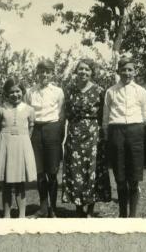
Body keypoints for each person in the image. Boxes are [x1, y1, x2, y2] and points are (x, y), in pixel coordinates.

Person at [61, 58, 111, 218]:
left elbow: (104, 115)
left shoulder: (100, 91)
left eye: (87, 69)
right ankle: (78, 208)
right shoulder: (70, 91)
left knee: (92, 170)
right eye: (81, 69)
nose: (83, 72)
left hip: (93, 135)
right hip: (74, 134)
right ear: (76, 71)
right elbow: (66, 114)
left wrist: (103, 134)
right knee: (75, 170)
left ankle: (90, 209)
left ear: (92, 73)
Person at [102, 57, 146, 218]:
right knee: (120, 176)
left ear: (135, 72)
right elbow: (106, 117)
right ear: (118, 71)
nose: (127, 73)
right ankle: (122, 215)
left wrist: (134, 128)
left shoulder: (141, 91)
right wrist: (114, 130)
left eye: (130, 70)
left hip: (135, 132)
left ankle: (133, 216)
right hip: (116, 132)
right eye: (124, 69)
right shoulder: (111, 91)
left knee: (134, 176)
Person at [24, 60, 65, 218]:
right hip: (36, 131)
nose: (44, 75)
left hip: (52, 129)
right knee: (40, 173)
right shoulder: (30, 92)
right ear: (37, 73)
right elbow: (28, 112)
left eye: (47, 72)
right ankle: (42, 208)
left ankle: (52, 209)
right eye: (41, 72)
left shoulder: (58, 91)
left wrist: (57, 132)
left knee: (52, 172)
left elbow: (60, 112)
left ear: (52, 73)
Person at [0, 78, 37, 218]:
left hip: (22, 145)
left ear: (22, 92)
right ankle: (6, 214)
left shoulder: (29, 109)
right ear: (6, 93)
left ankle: (22, 215)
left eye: (18, 91)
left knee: (20, 182)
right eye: (11, 92)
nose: (15, 94)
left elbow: (31, 127)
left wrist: (24, 140)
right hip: (6, 144)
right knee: (6, 182)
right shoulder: (1, 109)